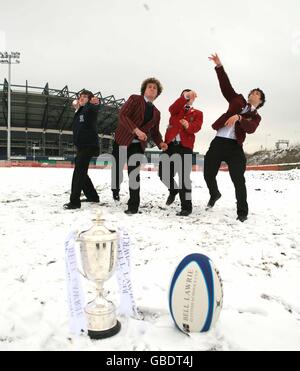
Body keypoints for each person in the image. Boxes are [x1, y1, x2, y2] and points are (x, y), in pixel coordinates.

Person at [204, 53, 266, 222]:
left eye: (257, 93)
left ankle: (242, 212)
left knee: (238, 179)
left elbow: (251, 129)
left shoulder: (255, 117)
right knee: (208, 173)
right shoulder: (236, 99)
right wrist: (219, 66)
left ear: (260, 102)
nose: (253, 93)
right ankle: (214, 193)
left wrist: (239, 118)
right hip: (218, 142)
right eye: (252, 91)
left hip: (234, 148)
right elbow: (225, 85)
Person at [111, 78, 168, 215]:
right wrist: (136, 130)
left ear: (157, 93)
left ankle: (133, 206)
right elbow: (123, 115)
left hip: (137, 146)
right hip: (122, 140)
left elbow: (154, 132)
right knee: (117, 171)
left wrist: (160, 142)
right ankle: (115, 190)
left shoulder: (157, 113)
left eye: (155, 88)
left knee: (134, 174)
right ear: (144, 89)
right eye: (150, 86)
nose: (152, 89)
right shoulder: (135, 99)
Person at [159, 89, 203, 216]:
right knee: (163, 174)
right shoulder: (176, 111)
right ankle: (173, 190)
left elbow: (197, 127)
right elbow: (172, 108)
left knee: (184, 178)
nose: (189, 97)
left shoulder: (198, 113)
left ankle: (186, 207)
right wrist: (185, 97)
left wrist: (188, 126)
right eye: (186, 95)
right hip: (170, 146)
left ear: (194, 98)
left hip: (185, 148)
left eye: (191, 96)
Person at [63, 90, 100, 210]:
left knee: (78, 172)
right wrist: (77, 107)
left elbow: (94, 108)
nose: (82, 98)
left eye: (85, 97)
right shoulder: (79, 112)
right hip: (81, 146)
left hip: (89, 145)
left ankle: (74, 202)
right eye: (80, 97)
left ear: (89, 99)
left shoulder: (89, 109)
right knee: (82, 172)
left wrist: (95, 102)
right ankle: (93, 196)